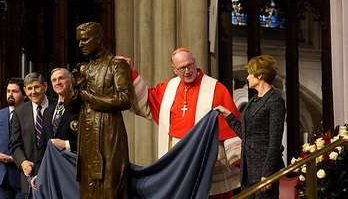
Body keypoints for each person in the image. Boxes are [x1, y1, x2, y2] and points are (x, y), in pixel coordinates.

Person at [116, 48, 242, 199]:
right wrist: (131, 72)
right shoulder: (169, 87)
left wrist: (238, 160)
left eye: (190, 65)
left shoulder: (215, 88)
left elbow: (231, 126)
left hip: (202, 156)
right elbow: (148, 100)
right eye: (182, 68)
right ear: (174, 69)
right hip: (175, 156)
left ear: (195, 62)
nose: (188, 71)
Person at [71, 22, 134, 199]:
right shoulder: (85, 68)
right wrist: (74, 88)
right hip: (86, 134)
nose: (80, 44)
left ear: (98, 39)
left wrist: (92, 99)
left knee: (109, 186)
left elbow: (125, 99)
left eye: (85, 39)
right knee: (88, 187)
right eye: (79, 41)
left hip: (108, 133)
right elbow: (71, 108)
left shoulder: (116, 65)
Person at [214, 55, 285, 199]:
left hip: (263, 171)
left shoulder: (275, 101)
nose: (247, 77)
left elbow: (275, 141)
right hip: (248, 170)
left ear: (260, 75)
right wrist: (228, 115)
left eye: (250, 74)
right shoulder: (254, 100)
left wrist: (267, 173)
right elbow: (245, 134)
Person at [30, 68, 79, 191]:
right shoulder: (48, 111)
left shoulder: (81, 107)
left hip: (73, 169)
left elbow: (91, 141)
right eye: (54, 80)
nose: (57, 82)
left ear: (71, 81)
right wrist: (38, 173)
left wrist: (66, 144)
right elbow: (42, 146)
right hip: (51, 171)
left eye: (61, 78)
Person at [11, 73, 56, 199]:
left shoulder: (57, 106)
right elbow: (16, 145)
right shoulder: (19, 112)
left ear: (45, 86)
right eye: (29, 89)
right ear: (25, 90)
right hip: (30, 177)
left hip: (55, 172)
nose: (33, 92)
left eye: (36, 87)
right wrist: (23, 162)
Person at [0, 78, 27, 199]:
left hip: (23, 176)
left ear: (24, 94)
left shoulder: (30, 115)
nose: (10, 95)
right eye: (8, 91)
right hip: (1, 177)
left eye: (14, 91)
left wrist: (15, 158)